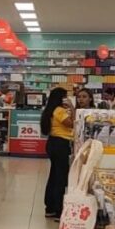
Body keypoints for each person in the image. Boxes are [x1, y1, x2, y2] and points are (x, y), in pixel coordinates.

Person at [40, 87, 73, 219]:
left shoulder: (52, 109)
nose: (67, 99)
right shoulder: (59, 110)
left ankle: (50, 207)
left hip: (53, 143)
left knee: (54, 175)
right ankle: (59, 209)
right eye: (65, 97)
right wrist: (72, 107)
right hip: (61, 144)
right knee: (60, 177)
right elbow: (71, 124)